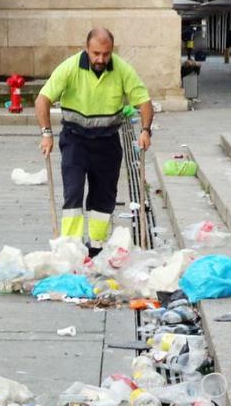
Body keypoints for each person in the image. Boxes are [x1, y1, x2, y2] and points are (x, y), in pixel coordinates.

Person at [35, 28, 153, 256]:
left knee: (104, 195)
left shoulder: (121, 69)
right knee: (74, 192)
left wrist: (145, 130)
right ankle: (70, 248)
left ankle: (97, 247)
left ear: (112, 51)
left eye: (106, 54)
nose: (100, 59)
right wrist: (46, 133)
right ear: (86, 49)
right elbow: (43, 99)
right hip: (75, 141)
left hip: (107, 142)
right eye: (96, 53)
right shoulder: (70, 67)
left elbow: (144, 101)